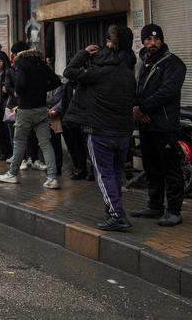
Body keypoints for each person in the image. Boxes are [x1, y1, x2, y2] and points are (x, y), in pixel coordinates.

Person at [63, 25, 137, 232]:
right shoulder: (129, 72)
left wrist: (84, 53)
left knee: (104, 175)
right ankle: (113, 209)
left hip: (99, 130)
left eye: (108, 40)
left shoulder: (98, 72)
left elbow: (68, 72)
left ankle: (116, 214)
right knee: (115, 173)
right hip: (123, 132)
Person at [132, 24, 187, 227]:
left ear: (161, 40)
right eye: (148, 39)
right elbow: (136, 89)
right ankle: (154, 205)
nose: (152, 43)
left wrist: (143, 108)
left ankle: (174, 211)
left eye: (156, 39)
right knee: (151, 167)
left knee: (170, 169)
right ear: (143, 41)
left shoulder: (173, 63)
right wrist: (136, 108)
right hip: (146, 125)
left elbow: (168, 92)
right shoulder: (143, 62)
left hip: (164, 125)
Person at [0, 41, 63, 189]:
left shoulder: (21, 64)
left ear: (17, 53)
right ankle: (52, 177)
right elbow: (56, 81)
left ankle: (12, 174)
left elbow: (20, 86)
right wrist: (40, 89)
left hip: (25, 109)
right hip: (41, 108)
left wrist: (20, 93)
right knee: (46, 143)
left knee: (19, 141)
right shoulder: (41, 63)